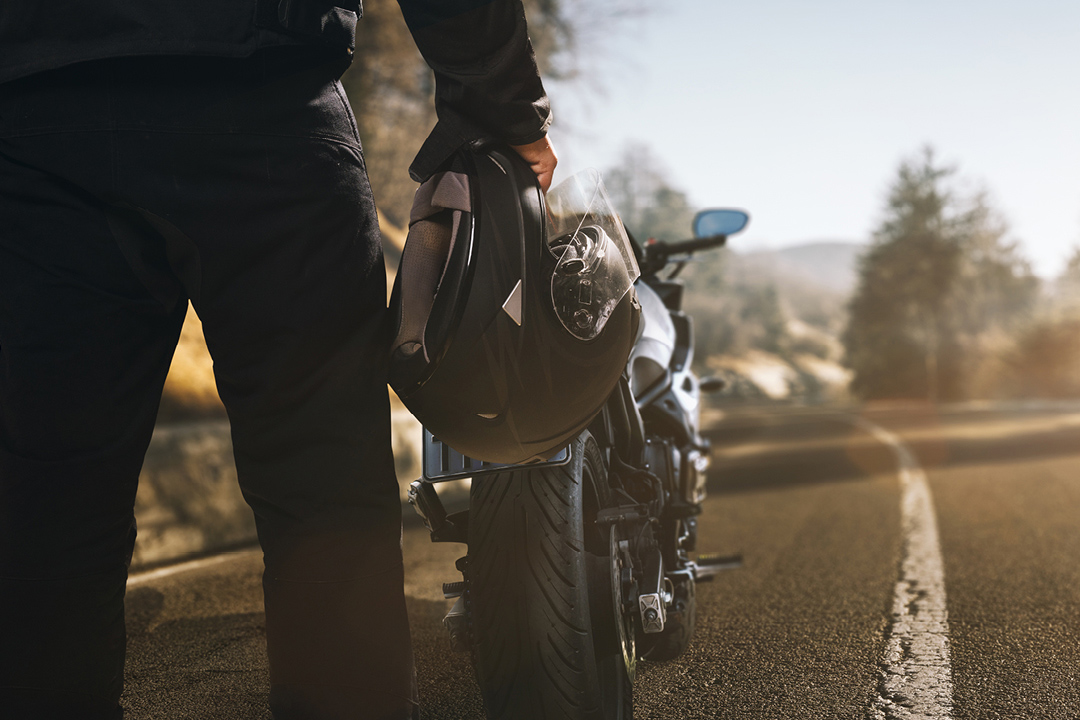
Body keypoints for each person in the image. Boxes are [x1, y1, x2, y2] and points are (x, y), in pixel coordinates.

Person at [0, 1, 556, 718]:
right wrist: (504, 112)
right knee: (320, 480)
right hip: (263, 97)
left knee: (49, 492)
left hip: (39, 115)